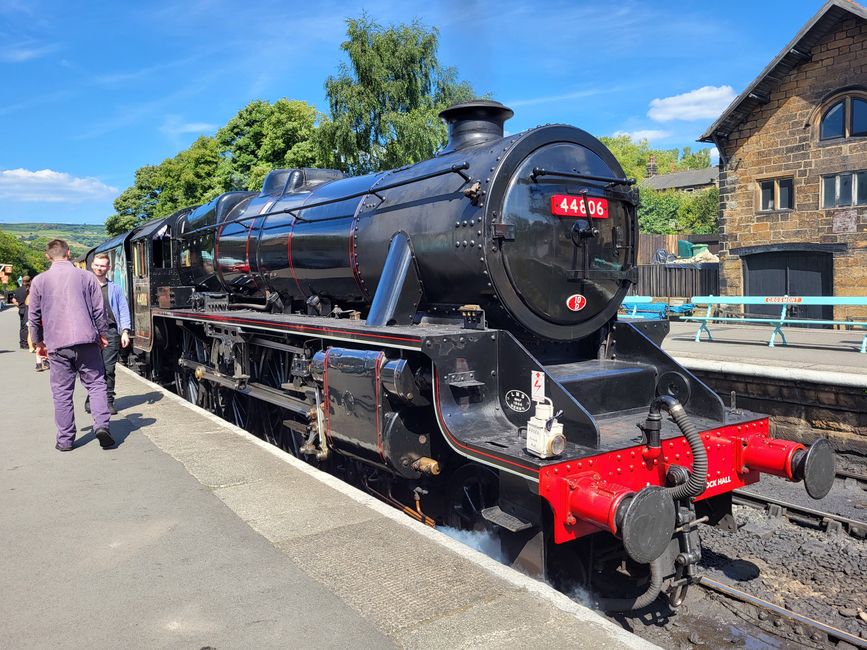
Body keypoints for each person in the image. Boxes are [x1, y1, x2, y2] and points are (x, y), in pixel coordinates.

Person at [28, 239, 115, 451]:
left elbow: (34, 314)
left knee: (62, 391)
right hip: (87, 340)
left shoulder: (39, 281)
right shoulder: (87, 277)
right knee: (96, 384)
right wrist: (102, 334)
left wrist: (38, 341)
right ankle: (101, 426)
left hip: (57, 344)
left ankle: (65, 440)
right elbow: (98, 310)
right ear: (69, 253)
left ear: (47, 256)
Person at [86, 253, 131, 415]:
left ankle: (109, 401)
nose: (99, 268)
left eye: (103, 265)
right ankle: (92, 398)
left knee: (109, 368)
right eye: (97, 265)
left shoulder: (116, 288)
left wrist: (125, 331)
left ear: (108, 268)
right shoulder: (85, 287)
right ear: (92, 265)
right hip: (90, 333)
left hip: (111, 331)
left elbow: (123, 310)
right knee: (92, 368)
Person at [11, 276, 30, 349]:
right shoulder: (29, 289)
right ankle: (25, 344)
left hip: (21, 309)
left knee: (22, 326)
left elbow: (13, 300)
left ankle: (22, 342)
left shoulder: (18, 290)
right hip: (27, 309)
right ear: (29, 281)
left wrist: (19, 306)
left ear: (22, 281)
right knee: (26, 327)